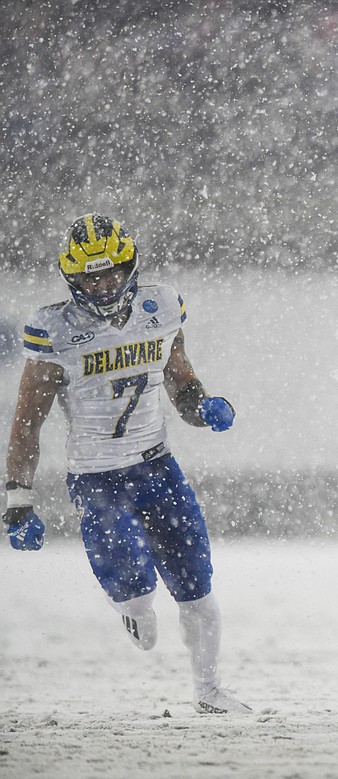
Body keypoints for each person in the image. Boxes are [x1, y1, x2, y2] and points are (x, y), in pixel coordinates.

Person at [4, 214, 252, 715]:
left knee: (196, 582)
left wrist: (203, 407)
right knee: (136, 589)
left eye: (111, 272)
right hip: (96, 478)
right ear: (72, 279)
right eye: (91, 277)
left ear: (130, 266)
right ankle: (131, 606)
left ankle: (208, 692)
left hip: (157, 466)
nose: (102, 284)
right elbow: (29, 422)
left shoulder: (159, 306)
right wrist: (18, 499)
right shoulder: (54, 329)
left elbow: (179, 382)